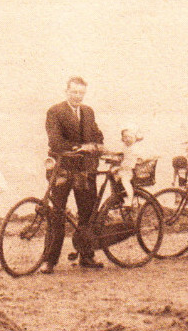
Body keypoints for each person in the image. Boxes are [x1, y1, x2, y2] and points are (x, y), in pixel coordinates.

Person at [41, 76, 105, 273]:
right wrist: (81, 147)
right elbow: (55, 142)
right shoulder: (55, 111)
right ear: (66, 91)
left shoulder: (88, 111)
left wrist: (96, 145)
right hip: (62, 169)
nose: (78, 96)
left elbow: (98, 135)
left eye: (81, 93)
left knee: (87, 213)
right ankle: (49, 261)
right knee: (56, 214)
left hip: (84, 170)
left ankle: (87, 256)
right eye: (74, 92)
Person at [113, 125, 155, 208]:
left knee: (125, 181)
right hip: (127, 168)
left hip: (132, 169)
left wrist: (119, 167)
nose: (127, 139)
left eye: (130, 137)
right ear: (122, 139)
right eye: (125, 137)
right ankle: (119, 198)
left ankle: (130, 200)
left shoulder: (134, 148)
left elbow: (131, 162)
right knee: (113, 177)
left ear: (134, 138)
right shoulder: (126, 147)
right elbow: (123, 155)